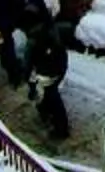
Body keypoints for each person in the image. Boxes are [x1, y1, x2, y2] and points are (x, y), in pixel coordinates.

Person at [21, 10, 70, 142]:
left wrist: (26, 77)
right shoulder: (51, 27)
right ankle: (53, 119)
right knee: (51, 95)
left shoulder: (34, 38)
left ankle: (60, 128)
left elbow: (28, 61)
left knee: (50, 97)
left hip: (46, 71)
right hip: (58, 67)